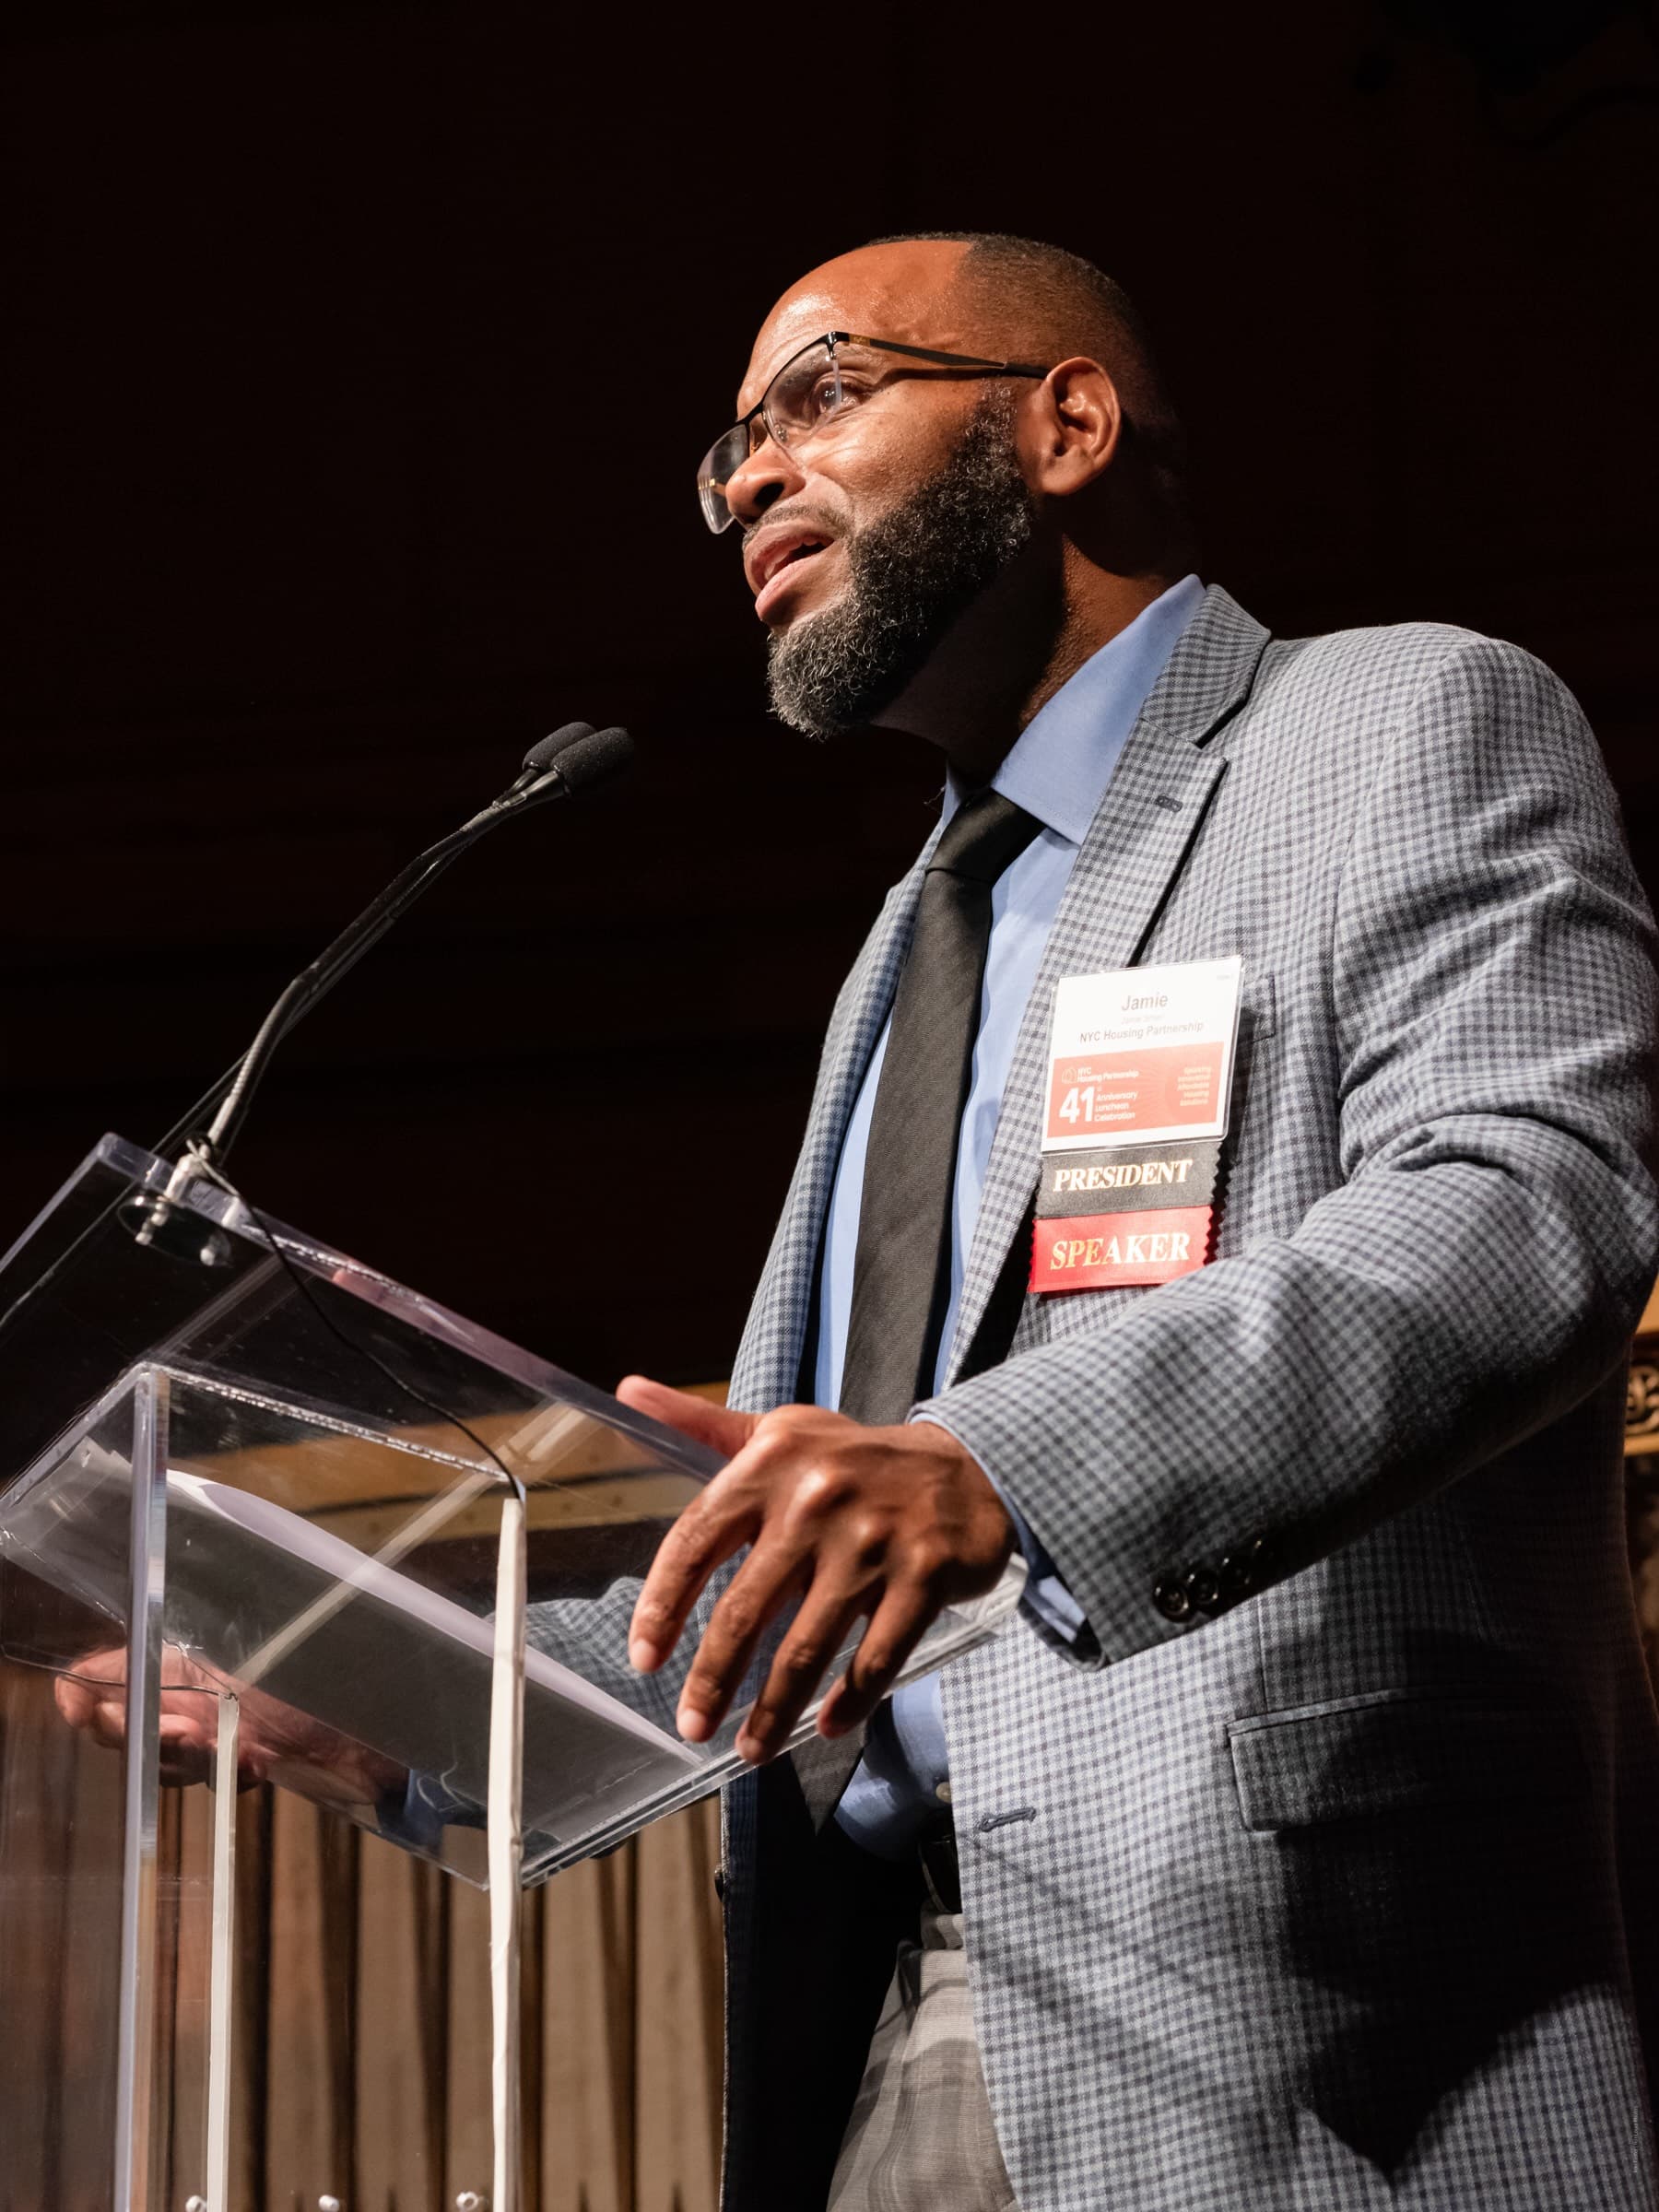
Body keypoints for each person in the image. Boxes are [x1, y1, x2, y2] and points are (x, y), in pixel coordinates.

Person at [609, 232, 1659, 2211]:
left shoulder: (1396, 727)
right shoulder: (909, 943)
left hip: (1301, 2026)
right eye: (728, 447)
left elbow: (1534, 1204)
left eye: (820, 399)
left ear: (1066, 423)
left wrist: (989, 1466)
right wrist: (385, 1696)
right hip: (887, 2010)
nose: (751, 475)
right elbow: (813, 1522)